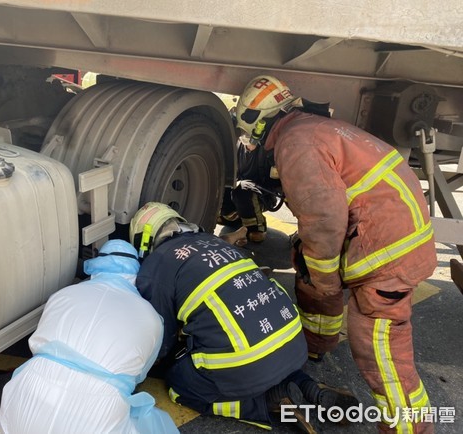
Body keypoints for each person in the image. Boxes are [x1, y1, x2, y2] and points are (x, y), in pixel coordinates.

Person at [235, 75, 437, 433]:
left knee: (378, 345)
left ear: (259, 122)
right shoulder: (312, 128)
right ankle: (316, 344)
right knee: (307, 259)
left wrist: (326, 279)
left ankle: (410, 426)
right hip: (392, 230)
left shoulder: (295, 145)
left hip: (388, 253)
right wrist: (316, 272)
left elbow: (323, 221)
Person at [130, 202, 358, 432]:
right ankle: (305, 385)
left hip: (246, 363)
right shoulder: (216, 243)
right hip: (295, 344)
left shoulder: (157, 264)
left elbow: (160, 337)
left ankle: (265, 405)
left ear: (144, 239)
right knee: (253, 348)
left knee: (179, 385)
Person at [0, 239, 178, 434]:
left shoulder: (62, 295)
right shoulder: (150, 317)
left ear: (96, 267)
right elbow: (140, 374)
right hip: (96, 412)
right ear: (135, 274)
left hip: (28, 393)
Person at [218, 123, 283, 243]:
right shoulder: (238, 147)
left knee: (242, 189)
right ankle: (235, 218)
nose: (245, 136)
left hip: (262, 195)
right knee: (222, 186)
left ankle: (256, 227)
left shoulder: (268, 151)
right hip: (239, 191)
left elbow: (277, 182)